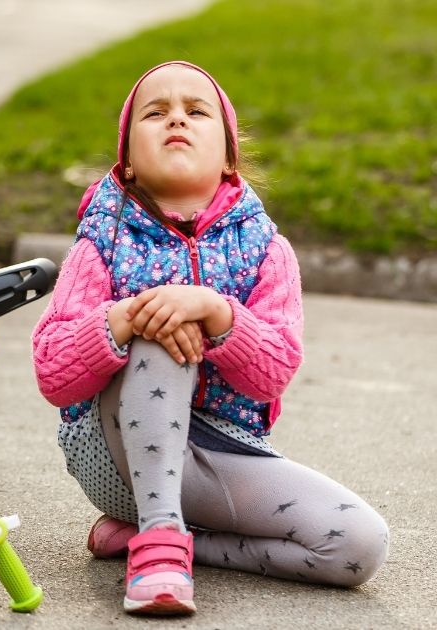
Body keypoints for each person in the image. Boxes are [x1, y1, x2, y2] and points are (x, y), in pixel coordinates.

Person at [30, 60, 389, 616]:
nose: (177, 118)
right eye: (156, 112)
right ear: (125, 162)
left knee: (357, 545)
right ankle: (157, 545)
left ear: (227, 157)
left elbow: (274, 373)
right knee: (160, 327)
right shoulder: (98, 244)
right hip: (117, 452)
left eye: (196, 111)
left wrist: (220, 313)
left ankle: (160, 541)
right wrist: (126, 318)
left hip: (218, 452)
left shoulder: (267, 250)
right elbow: (53, 371)